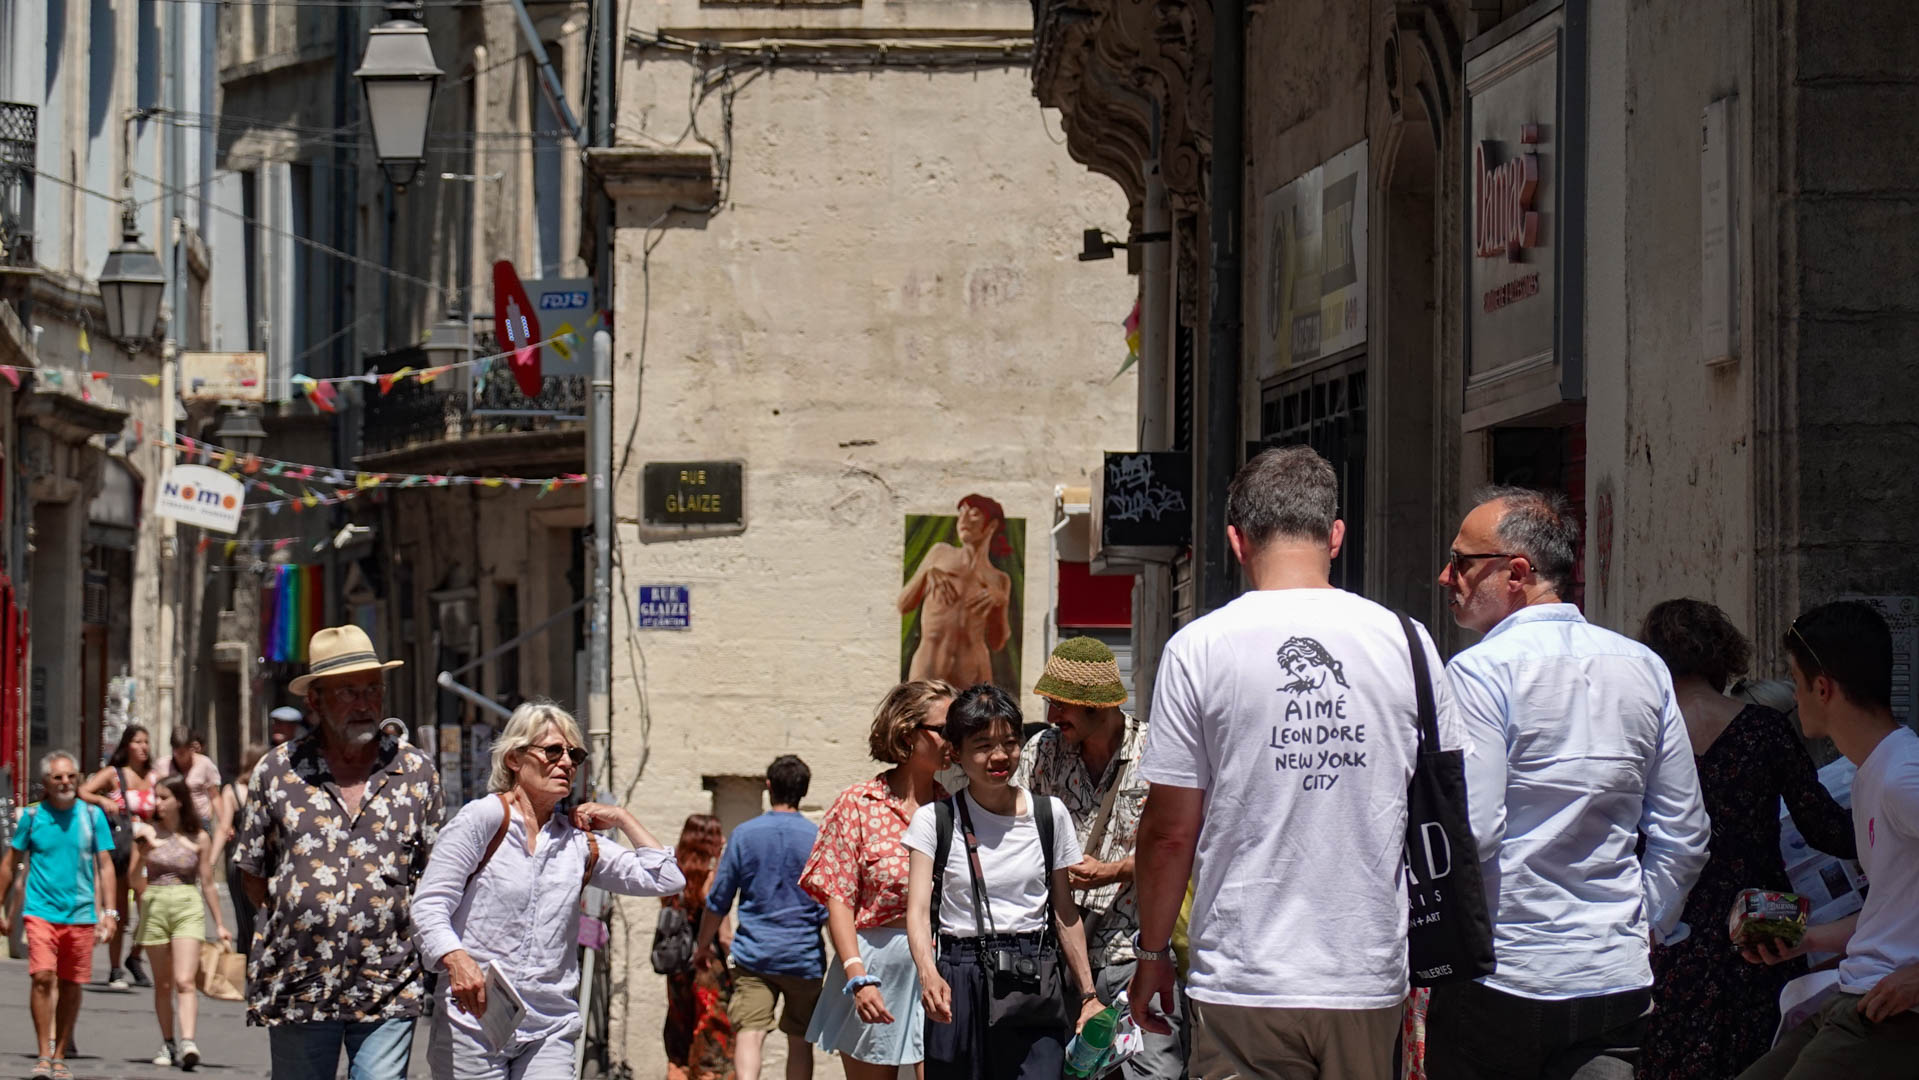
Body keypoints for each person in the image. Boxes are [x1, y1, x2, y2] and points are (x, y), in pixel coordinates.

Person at [1126, 446, 1464, 1080]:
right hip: (1367, 972)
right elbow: (1454, 802)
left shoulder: (1198, 647)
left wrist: (1152, 952)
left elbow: (1170, 831)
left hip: (1244, 977)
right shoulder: (1409, 642)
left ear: (1237, 540)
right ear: (1335, 535)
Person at [1426, 487, 1711, 1080]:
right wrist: (1645, 924)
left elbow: (1473, 831)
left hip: (1504, 975)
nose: (1446, 576)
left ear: (1517, 573)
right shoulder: (1643, 666)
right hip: (1612, 977)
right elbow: (1684, 832)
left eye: (1461, 561)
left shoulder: (1479, 671)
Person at [1635, 599, 1857, 1079]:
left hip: (1669, 930)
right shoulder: (1765, 729)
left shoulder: (1641, 736)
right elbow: (1826, 828)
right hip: (1761, 931)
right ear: (1723, 656)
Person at [412, 701, 684, 1079]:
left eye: (575, 755)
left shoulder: (577, 842)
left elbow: (666, 879)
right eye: (553, 751)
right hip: (474, 1018)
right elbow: (429, 904)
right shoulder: (484, 819)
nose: (567, 762)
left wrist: (622, 817)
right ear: (514, 758)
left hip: (549, 1026)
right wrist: (456, 959)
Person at [233, 624, 443, 1080]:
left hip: (389, 979)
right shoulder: (278, 771)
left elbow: (434, 873)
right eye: (348, 691)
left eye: (373, 689)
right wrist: (305, 914)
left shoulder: (415, 772)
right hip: (300, 979)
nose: (365, 703)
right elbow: (252, 872)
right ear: (316, 700)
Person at [1736, 601, 1919, 1078]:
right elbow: (1893, 912)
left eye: (1796, 683)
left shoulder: (1903, 776)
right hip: (1854, 994)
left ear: (1822, 688)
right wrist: (1807, 939)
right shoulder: (1872, 772)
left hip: (1891, 1015)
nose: (1795, 697)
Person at [905, 683, 1102, 1080]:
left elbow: (1065, 914)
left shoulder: (1050, 815)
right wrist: (928, 972)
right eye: (982, 746)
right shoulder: (934, 821)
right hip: (959, 976)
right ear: (955, 752)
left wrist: (1089, 996)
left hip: (1032, 975)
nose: (999, 756)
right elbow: (918, 912)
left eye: (1010, 743)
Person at [1016, 636, 1187, 1078]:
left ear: (1099, 705)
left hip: (1137, 954)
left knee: (1155, 1074)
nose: (1052, 716)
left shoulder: (1158, 751)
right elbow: (1012, 833)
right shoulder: (1042, 753)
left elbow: (1186, 843)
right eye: (1051, 703)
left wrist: (1114, 871)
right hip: (1058, 961)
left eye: (1063, 705)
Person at [803, 680, 957, 1078]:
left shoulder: (955, 810)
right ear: (907, 733)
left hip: (943, 966)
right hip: (876, 967)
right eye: (945, 729)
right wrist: (857, 976)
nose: (954, 739)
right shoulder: (858, 804)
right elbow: (839, 897)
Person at [696, 755, 830, 1080]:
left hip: (754, 957)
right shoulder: (818, 838)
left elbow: (718, 900)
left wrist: (701, 946)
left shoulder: (744, 835)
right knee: (800, 1041)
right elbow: (831, 906)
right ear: (804, 790)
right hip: (804, 957)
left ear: (769, 787)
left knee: (750, 1032)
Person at [0, 750, 118, 1080]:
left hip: (80, 914)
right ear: (46, 783)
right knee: (42, 977)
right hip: (40, 911)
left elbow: (106, 865)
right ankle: (43, 1054)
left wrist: (110, 912)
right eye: (58, 777)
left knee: (70, 984)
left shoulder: (92, 816)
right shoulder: (32, 817)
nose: (65, 782)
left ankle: (60, 1054)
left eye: (70, 776)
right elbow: (10, 863)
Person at [130, 774, 234, 1070]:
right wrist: (142, 856)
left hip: (187, 905)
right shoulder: (147, 832)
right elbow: (135, 881)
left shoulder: (198, 837)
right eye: (157, 797)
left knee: (184, 980)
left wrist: (220, 924)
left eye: (164, 797)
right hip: (155, 905)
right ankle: (168, 1041)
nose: (158, 803)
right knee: (163, 984)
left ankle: (188, 1041)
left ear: (179, 800)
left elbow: (208, 883)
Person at [900, 494, 1014, 690]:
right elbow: (903, 605)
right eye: (961, 513)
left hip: (974, 671)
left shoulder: (1000, 579)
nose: (963, 520)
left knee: (980, 710)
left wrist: (1001, 603)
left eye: (974, 514)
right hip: (930, 664)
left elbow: (997, 643)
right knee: (921, 707)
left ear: (992, 525)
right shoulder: (940, 553)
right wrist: (926, 575)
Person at [79, 723, 158, 990]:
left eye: (146, 741)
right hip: (123, 848)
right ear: (127, 746)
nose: (143, 747)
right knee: (120, 913)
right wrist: (103, 801)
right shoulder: (115, 774)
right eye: (138, 742)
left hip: (149, 850)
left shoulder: (154, 776)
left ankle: (135, 955)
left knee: (151, 909)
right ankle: (115, 969)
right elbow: (83, 791)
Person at [665, 814, 736, 1080]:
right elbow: (724, 933)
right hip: (708, 964)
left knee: (680, 1040)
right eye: (718, 834)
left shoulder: (674, 872)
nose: (723, 839)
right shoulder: (712, 875)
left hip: (678, 965)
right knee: (712, 1037)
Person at [220, 743, 267, 962]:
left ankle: (247, 965)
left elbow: (223, 828)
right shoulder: (270, 789)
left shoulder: (232, 791)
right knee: (264, 915)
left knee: (243, 917)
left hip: (238, 858)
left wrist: (210, 861)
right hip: (265, 858)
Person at [155, 726, 228, 853]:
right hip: (172, 822)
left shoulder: (205, 764)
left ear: (191, 748)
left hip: (199, 821)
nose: (180, 757)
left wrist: (225, 823)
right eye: (176, 752)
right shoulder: (163, 766)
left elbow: (215, 796)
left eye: (183, 752)